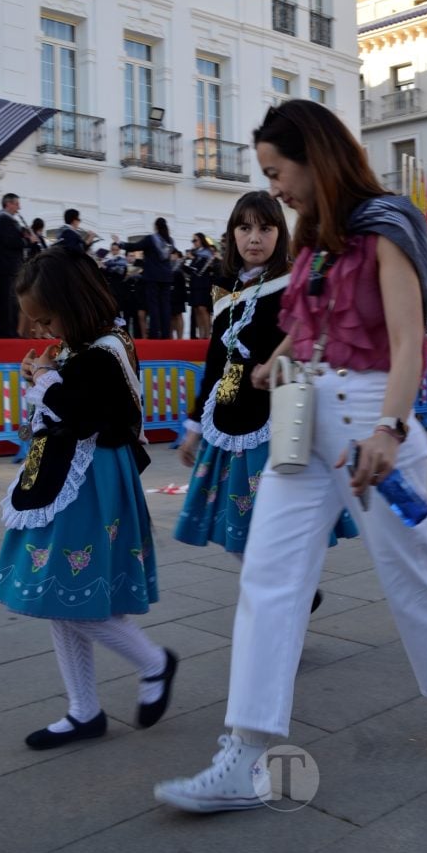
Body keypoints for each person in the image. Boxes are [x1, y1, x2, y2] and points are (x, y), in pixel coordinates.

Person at [154, 99, 427, 813]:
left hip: (373, 419)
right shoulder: (313, 242)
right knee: (270, 576)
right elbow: (305, 328)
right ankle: (245, 753)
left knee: (410, 568)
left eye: (278, 172)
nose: (274, 188)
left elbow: (408, 342)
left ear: (315, 157)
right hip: (301, 420)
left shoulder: (387, 225)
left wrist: (391, 431)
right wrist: (277, 359)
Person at [0, 247, 177, 749]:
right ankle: (83, 709)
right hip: (71, 479)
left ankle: (154, 663)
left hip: (90, 482)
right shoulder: (83, 347)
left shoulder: (104, 350)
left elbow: (85, 413)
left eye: (44, 318)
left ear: (73, 303)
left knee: (70, 594)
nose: (37, 331)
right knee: (61, 597)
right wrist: (44, 378)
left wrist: (46, 380)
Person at [174, 189, 355, 570]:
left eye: (265, 228)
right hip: (227, 418)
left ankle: (286, 588)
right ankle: (284, 589)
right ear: (231, 234)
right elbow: (214, 363)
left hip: (277, 419)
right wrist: (193, 426)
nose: (254, 238)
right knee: (236, 529)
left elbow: (316, 329)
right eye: (244, 228)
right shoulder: (226, 292)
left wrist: (277, 360)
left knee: (279, 522)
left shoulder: (294, 285)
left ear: (280, 234)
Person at [113, 218, 174, 339]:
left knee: (154, 306)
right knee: (166, 306)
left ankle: (154, 334)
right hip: (167, 277)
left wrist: (120, 243)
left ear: (156, 226)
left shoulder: (151, 239)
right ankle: (166, 334)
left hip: (153, 277)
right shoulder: (170, 241)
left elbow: (135, 246)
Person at [0, 192, 30, 337]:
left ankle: (10, 330)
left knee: (12, 300)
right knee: (7, 300)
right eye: (16, 204)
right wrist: (26, 241)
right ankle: (6, 332)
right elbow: (11, 242)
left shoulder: (7, 220)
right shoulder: (3, 219)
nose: (19, 207)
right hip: (7, 265)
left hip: (10, 265)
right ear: (8, 204)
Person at [184, 232, 214, 338]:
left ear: (201, 240)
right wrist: (183, 264)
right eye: (193, 241)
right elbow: (191, 271)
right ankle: (201, 335)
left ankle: (206, 335)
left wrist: (193, 258)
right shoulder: (195, 254)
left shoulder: (207, 253)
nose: (193, 243)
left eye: (195, 240)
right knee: (196, 309)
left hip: (204, 284)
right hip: (194, 284)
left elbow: (201, 269)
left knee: (202, 309)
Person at [169, 249, 187, 339]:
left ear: (176, 254)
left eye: (173, 254)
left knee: (179, 314)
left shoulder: (180, 263)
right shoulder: (167, 265)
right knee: (171, 316)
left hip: (179, 292)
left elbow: (184, 277)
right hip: (169, 293)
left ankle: (180, 337)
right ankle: (171, 336)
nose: (171, 256)